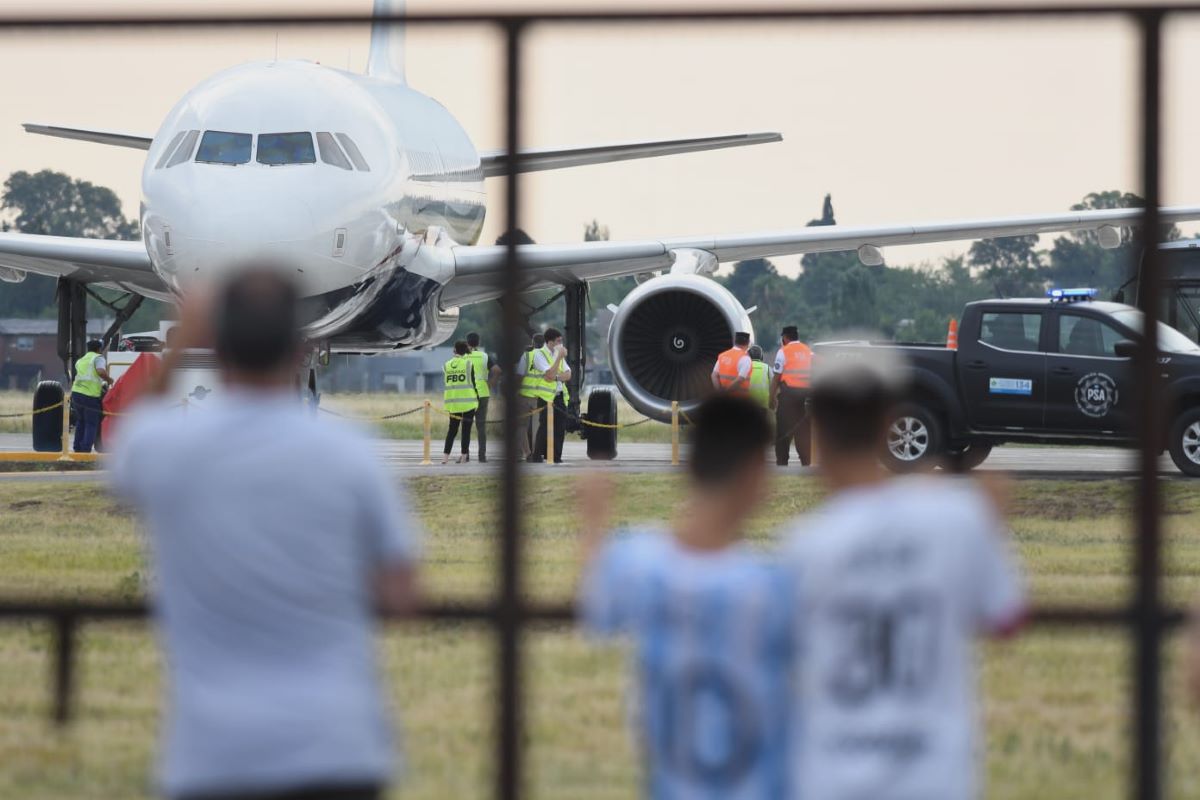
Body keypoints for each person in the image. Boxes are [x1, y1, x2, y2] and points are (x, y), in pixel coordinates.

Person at [109, 268, 421, 800]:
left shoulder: (168, 451)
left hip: (214, 757)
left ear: (218, 347)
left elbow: (125, 442)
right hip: (337, 747)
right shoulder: (351, 453)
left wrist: (182, 338)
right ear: (301, 351)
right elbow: (402, 595)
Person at [779, 352, 1025, 800]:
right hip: (932, 775)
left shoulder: (803, 546)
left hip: (833, 776)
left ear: (819, 436)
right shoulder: (957, 518)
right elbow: (1006, 619)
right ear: (887, 424)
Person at [577, 394, 793, 798]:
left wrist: (593, 518)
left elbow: (598, 600)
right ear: (756, 475)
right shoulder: (773, 588)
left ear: (690, 466)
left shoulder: (634, 564)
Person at [770, 326, 813, 467]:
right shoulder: (808, 351)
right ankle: (806, 465)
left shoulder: (783, 352)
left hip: (788, 399)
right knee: (803, 434)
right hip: (805, 400)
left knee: (783, 434)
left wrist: (772, 398)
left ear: (785, 338)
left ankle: (782, 465)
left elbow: (776, 378)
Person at [531, 328, 571, 464]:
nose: (561, 344)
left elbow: (568, 374)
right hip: (546, 397)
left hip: (559, 396)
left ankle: (556, 456)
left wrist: (555, 377)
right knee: (545, 428)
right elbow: (548, 373)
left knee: (560, 428)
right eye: (558, 341)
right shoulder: (539, 354)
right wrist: (559, 358)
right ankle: (537, 455)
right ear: (550, 342)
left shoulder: (556, 354)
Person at [71, 339, 113, 453]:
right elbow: (100, 372)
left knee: (81, 421)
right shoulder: (98, 358)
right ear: (99, 349)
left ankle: (77, 448)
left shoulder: (81, 360)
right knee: (91, 423)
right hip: (89, 395)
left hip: (76, 393)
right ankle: (85, 450)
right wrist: (109, 380)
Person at [442, 340, 479, 465]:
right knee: (466, 431)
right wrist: (477, 399)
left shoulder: (446, 365)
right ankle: (464, 458)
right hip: (468, 402)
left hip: (453, 402)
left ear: (454, 350)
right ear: (465, 351)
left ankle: (445, 458)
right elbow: (473, 383)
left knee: (452, 430)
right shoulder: (468, 364)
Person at [465, 332, 499, 463]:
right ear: (479, 343)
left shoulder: (463, 357)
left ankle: (465, 454)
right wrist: (491, 383)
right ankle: (482, 456)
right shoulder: (485, 356)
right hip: (483, 394)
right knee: (481, 427)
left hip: (467, 395)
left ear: (467, 343)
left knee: (466, 426)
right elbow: (497, 370)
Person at [515, 332, 544, 461]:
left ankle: (526, 453)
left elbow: (520, 375)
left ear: (532, 343)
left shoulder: (526, 356)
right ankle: (537, 453)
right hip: (541, 397)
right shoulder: (548, 356)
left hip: (526, 396)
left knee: (521, 426)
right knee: (539, 427)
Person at [747, 344, 770, 408]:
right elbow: (774, 386)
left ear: (748, 356)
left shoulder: (744, 367)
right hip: (763, 405)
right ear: (761, 356)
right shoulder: (767, 368)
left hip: (747, 404)